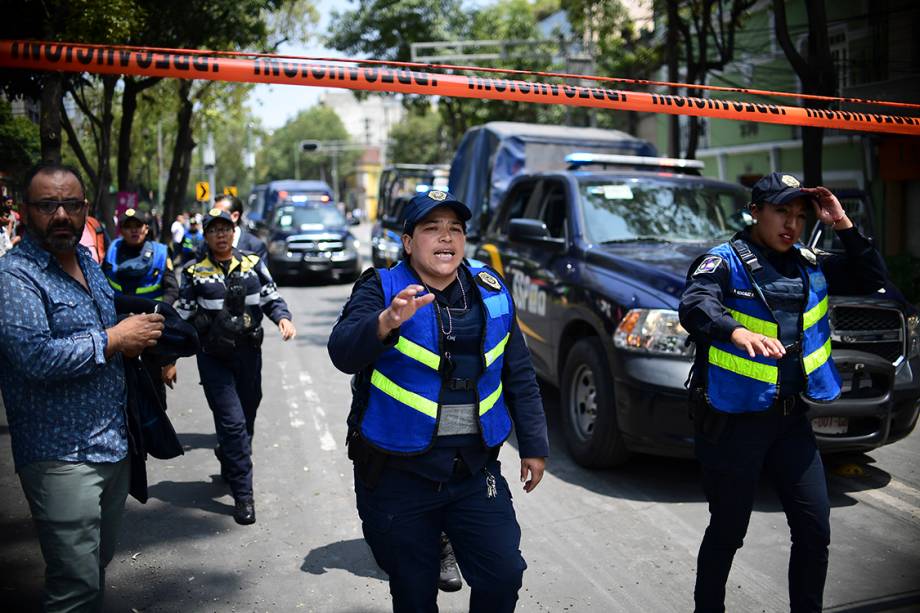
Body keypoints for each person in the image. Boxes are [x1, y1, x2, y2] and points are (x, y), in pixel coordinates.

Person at [328, 190, 548, 613]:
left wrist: (535, 446)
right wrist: (386, 322)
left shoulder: (491, 288)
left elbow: (518, 371)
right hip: (399, 475)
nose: (446, 237)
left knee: (504, 574)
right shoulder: (381, 287)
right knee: (414, 592)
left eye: (455, 229)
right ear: (408, 242)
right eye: (432, 228)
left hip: (473, 470)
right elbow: (342, 351)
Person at [678, 172, 889, 613]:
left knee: (815, 528)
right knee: (728, 530)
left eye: (798, 215)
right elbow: (695, 305)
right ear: (755, 212)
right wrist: (733, 332)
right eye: (781, 212)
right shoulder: (722, 262)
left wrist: (842, 222)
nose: (790, 224)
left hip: (791, 420)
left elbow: (871, 278)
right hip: (734, 420)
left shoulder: (810, 262)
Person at [0, 162, 164, 612]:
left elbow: (108, 329)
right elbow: (35, 356)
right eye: (47, 205)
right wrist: (114, 339)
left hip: (112, 444)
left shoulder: (89, 263)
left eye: (70, 205)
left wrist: (138, 339)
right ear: (26, 211)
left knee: (95, 565)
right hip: (60, 454)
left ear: (85, 210)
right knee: (74, 585)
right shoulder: (14, 277)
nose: (60, 215)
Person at [175, 207, 296, 525]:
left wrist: (283, 318)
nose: (221, 235)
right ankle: (244, 496)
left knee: (248, 415)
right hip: (214, 358)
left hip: (248, 355)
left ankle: (231, 456)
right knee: (232, 424)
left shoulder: (253, 264)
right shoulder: (194, 272)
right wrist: (167, 359)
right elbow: (182, 318)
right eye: (214, 230)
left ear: (234, 230)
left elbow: (271, 297)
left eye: (226, 229)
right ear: (206, 235)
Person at [103, 207, 179, 407]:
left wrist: (157, 313)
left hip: (152, 329)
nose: (134, 230)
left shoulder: (161, 253)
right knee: (121, 395)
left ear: (146, 228)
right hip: (118, 329)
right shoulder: (111, 252)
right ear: (121, 230)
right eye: (128, 227)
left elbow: (172, 290)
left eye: (138, 226)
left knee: (153, 397)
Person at [211, 193, 268, 260]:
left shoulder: (255, 246)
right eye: (213, 214)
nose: (213, 218)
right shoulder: (206, 245)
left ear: (235, 216)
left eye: (220, 214)